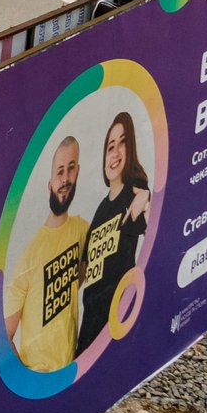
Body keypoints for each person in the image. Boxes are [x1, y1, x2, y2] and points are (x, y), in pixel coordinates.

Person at [6, 137, 89, 374]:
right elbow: (5, 335)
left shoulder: (82, 229)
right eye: (59, 172)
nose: (65, 179)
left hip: (71, 368)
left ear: (78, 172)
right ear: (50, 184)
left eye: (71, 169)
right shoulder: (30, 254)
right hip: (38, 375)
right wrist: (28, 379)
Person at [76, 114, 151, 356]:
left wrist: (145, 201)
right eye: (110, 146)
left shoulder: (136, 193)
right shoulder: (101, 208)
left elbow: (155, 238)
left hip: (116, 323)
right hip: (89, 326)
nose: (115, 152)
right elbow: (84, 271)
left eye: (123, 142)